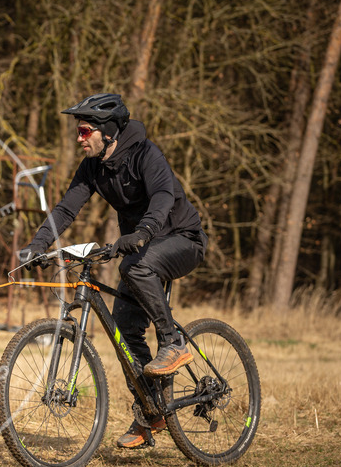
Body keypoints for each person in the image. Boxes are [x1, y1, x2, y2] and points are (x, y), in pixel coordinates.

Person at [17, 93, 207, 449]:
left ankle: (173, 341)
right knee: (124, 331)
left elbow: (164, 197)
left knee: (135, 267)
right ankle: (153, 411)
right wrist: (37, 245)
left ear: (107, 132)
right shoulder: (92, 167)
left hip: (181, 238)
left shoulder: (146, 154)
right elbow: (65, 210)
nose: (79, 138)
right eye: (78, 131)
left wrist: (143, 232)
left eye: (85, 131)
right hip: (141, 245)